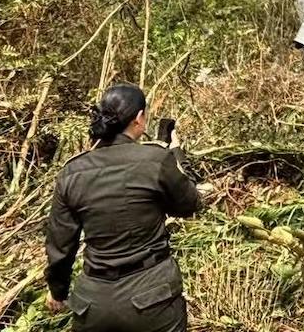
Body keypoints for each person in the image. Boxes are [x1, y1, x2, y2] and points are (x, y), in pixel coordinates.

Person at [45, 84, 201, 332]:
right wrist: (176, 156)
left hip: (93, 305)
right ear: (139, 118)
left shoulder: (71, 172)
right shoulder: (156, 160)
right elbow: (189, 204)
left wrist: (57, 290)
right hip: (153, 298)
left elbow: (60, 243)